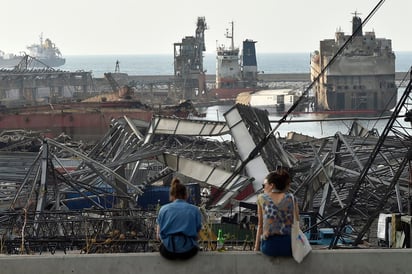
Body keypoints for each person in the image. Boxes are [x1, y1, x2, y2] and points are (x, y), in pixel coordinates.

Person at [156, 178, 202, 260]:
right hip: (188, 252)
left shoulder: (163, 209)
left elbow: (158, 236)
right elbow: (198, 236)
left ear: (171, 195)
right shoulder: (195, 210)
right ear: (186, 195)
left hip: (168, 251)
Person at [254, 168, 296, 257]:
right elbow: (296, 222)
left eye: (264, 185)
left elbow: (260, 225)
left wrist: (256, 248)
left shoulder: (262, 198)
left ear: (272, 185)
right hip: (289, 247)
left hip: (270, 247)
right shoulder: (291, 198)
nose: (263, 188)